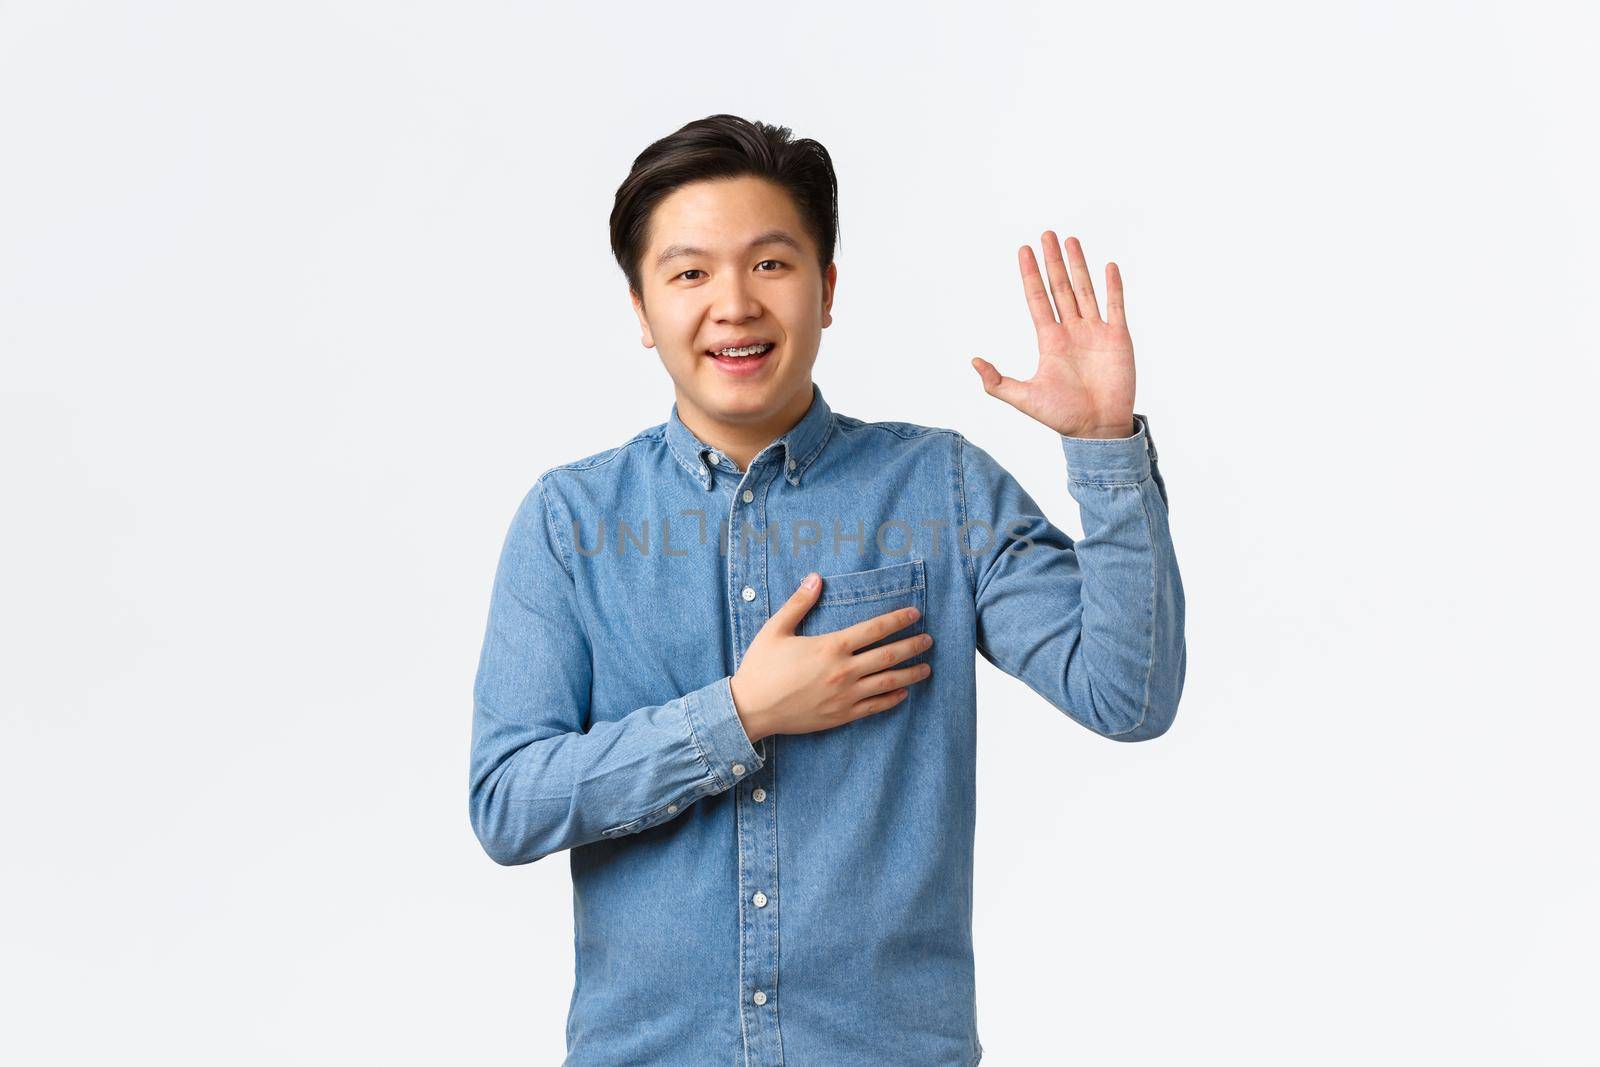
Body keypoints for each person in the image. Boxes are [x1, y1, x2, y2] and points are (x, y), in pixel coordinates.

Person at [468, 113, 1186, 1067]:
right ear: (641, 310)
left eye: (770, 263)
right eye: (689, 273)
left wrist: (1102, 449)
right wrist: (739, 714)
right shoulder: (571, 521)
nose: (733, 304)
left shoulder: (942, 489)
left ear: (827, 288)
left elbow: (1126, 696)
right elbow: (509, 800)